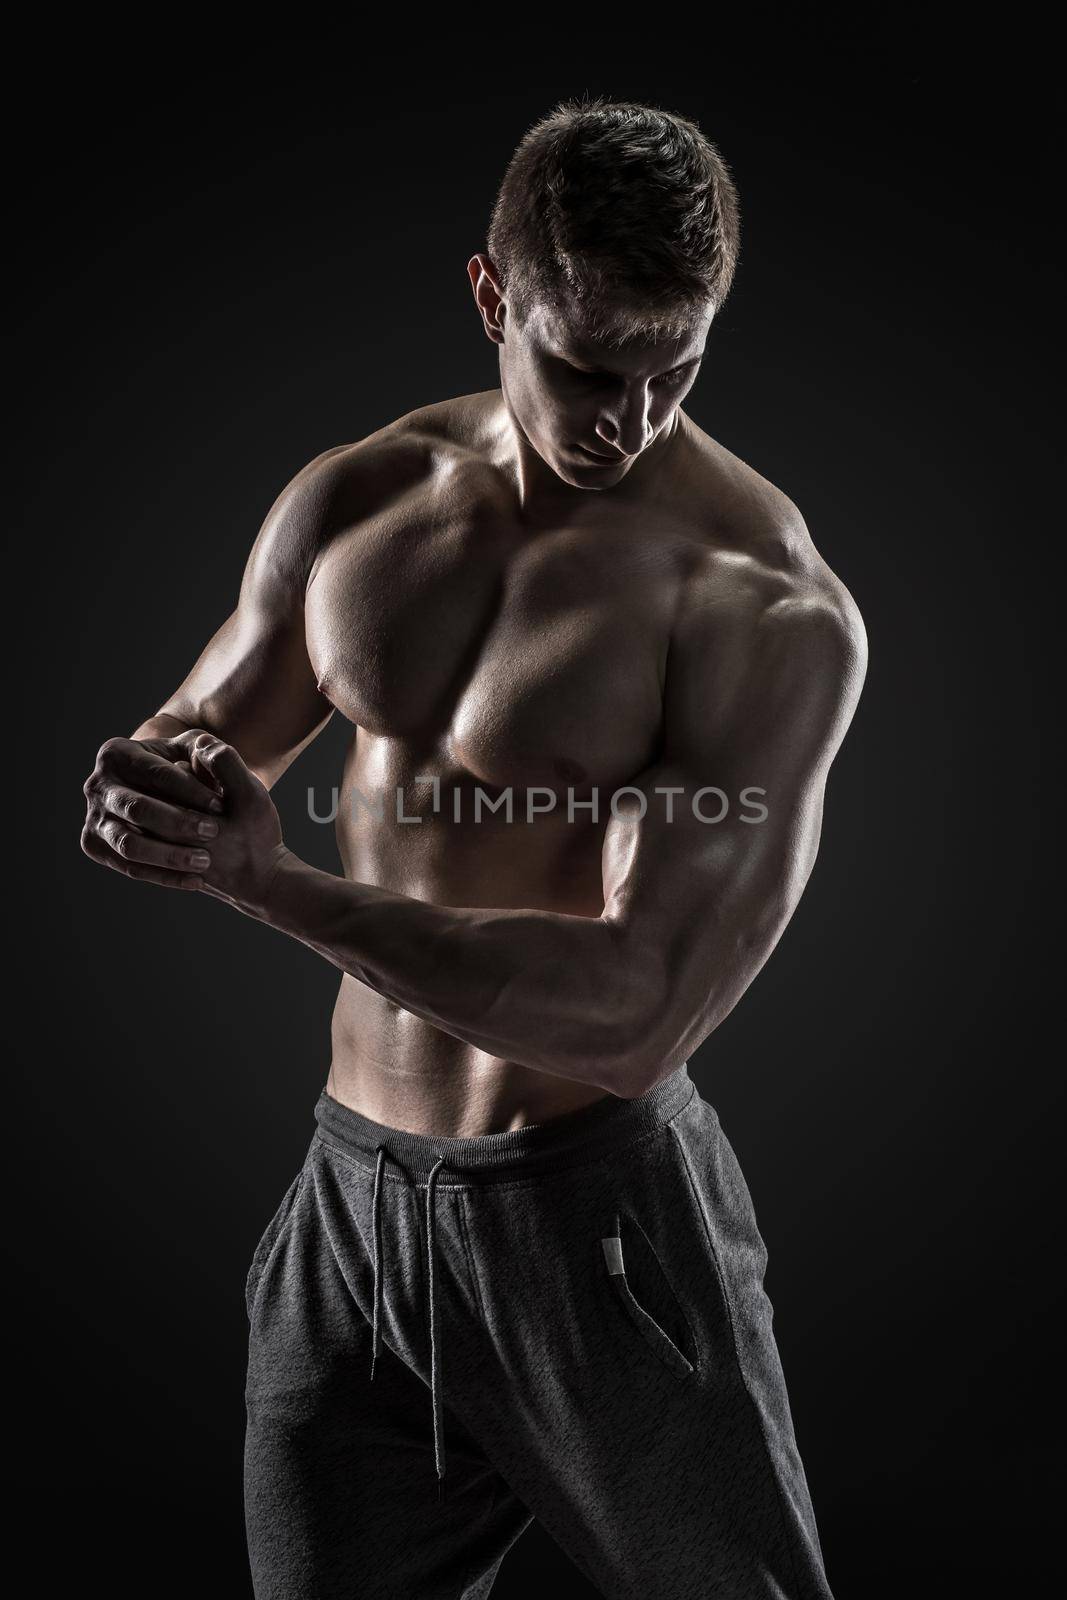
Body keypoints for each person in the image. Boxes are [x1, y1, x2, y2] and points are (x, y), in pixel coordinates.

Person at [81, 97, 867, 1599]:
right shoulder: (360, 499)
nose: (627, 418)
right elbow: (205, 734)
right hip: (352, 1210)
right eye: (585, 368)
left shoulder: (760, 605)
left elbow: (641, 1013)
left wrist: (274, 882)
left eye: (675, 366)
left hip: (598, 1230)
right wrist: (159, 793)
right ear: (493, 296)